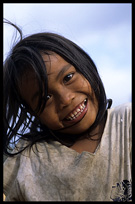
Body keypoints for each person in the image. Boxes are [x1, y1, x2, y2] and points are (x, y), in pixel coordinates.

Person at [3, 20, 132, 201]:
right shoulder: (28, 160)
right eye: (45, 98)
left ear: (84, 65)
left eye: (68, 77)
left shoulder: (126, 123)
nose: (65, 99)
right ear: (33, 112)